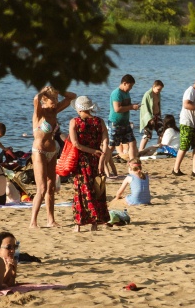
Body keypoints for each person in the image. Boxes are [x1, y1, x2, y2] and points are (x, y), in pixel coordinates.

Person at [31, 86, 76, 230]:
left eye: (56, 99)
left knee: (51, 187)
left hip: (52, 151)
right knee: (42, 188)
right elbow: (35, 99)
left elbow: (72, 97)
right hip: (39, 152)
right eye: (53, 100)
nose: (56, 102)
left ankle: (51, 220)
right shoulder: (39, 114)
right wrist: (44, 91)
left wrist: (59, 91)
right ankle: (33, 222)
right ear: (45, 100)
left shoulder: (54, 111)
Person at [67, 95, 110, 232]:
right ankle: (95, 223)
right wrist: (101, 156)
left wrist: (92, 151)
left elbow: (76, 144)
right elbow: (105, 142)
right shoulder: (99, 121)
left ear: (79, 109)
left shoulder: (75, 122)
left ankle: (78, 225)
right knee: (96, 189)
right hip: (96, 160)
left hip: (82, 161)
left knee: (81, 190)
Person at [107, 74, 139, 177]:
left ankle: (133, 166)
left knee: (132, 142)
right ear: (124, 83)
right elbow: (117, 109)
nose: (130, 89)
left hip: (125, 122)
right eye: (130, 86)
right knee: (111, 147)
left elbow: (126, 106)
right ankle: (103, 165)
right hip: (115, 123)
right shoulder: (116, 93)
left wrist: (133, 106)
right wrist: (131, 107)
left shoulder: (126, 93)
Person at [136, 79, 164, 155]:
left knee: (162, 132)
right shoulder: (148, 94)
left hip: (157, 116)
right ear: (154, 86)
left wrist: (159, 114)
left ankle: (158, 149)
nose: (159, 91)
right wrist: (149, 118)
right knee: (147, 135)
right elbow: (144, 107)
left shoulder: (158, 94)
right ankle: (140, 151)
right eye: (158, 89)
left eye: (161, 90)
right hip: (149, 117)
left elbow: (158, 104)